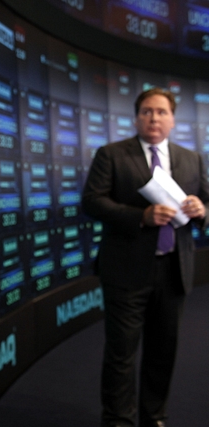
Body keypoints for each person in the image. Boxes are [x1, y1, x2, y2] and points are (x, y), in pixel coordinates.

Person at [82, 87, 209, 427]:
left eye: (162, 112)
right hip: (125, 271)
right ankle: (119, 421)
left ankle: (154, 417)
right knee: (121, 354)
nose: (154, 118)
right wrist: (140, 216)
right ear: (136, 117)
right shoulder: (111, 154)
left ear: (172, 119)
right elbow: (92, 201)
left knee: (162, 354)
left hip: (174, 271)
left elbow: (208, 205)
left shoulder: (191, 159)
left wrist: (202, 209)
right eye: (147, 111)